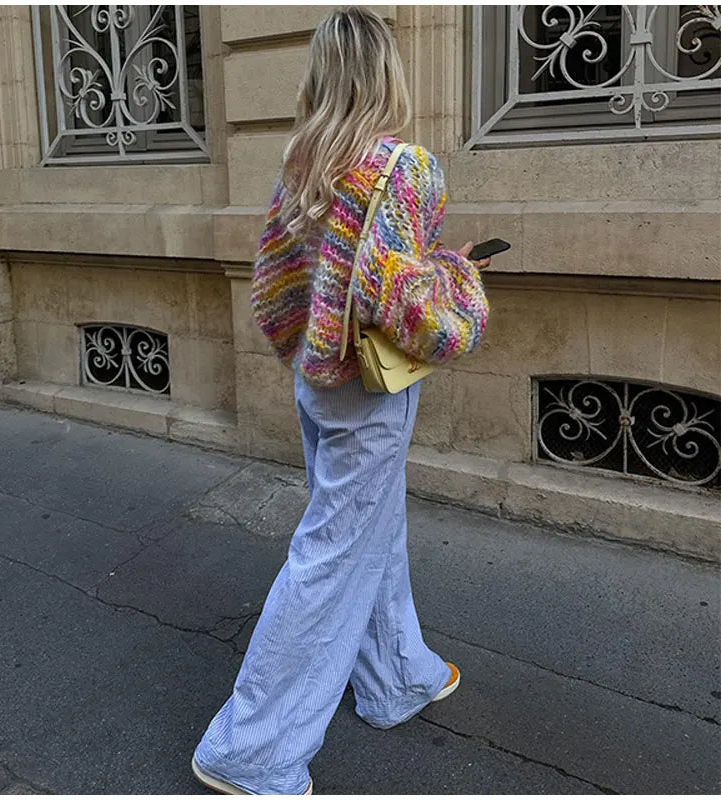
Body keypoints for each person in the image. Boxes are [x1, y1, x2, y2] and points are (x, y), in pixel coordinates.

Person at [192, 6, 491, 795]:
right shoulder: (405, 170)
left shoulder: (301, 166)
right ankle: (250, 749)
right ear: (386, 73)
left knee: (367, 530)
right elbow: (410, 307)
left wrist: (308, 348)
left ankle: (397, 677)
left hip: (315, 381)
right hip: (368, 389)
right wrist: (457, 274)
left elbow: (275, 287)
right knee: (330, 554)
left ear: (324, 73)